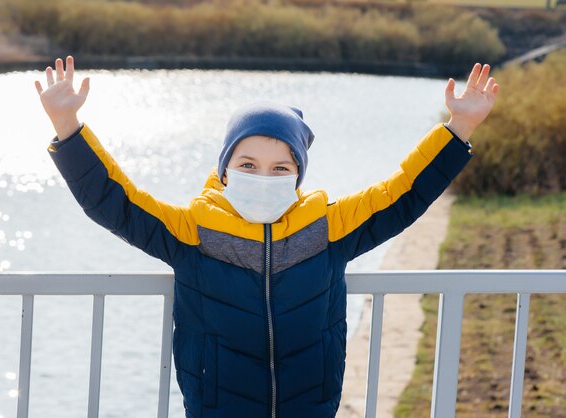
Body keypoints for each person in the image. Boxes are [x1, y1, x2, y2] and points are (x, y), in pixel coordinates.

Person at [36, 56, 498, 418]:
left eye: (281, 168)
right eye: (248, 165)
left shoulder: (328, 226)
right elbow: (114, 201)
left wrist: (459, 128)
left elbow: (402, 195)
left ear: (298, 175)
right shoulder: (193, 231)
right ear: (225, 170)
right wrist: (67, 127)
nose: (264, 176)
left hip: (311, 409)